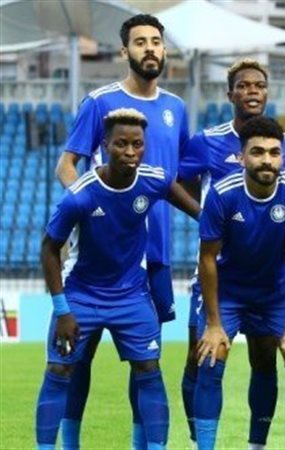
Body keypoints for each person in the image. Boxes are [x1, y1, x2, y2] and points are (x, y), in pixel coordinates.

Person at [52, 14, 189, 448]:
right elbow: (66, 166)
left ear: (164, 49)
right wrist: (92, 208)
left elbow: (179, 178)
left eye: (156, 41)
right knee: (78, 359)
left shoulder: (176, 108)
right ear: (125, 50)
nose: (150, 48)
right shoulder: (100, 102)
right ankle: (70, 442)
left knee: (145, 360)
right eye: (140, 42)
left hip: (156, 252)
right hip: (104, 253)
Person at [35, 108, 200, 450]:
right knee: (60, 370)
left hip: (132, 295)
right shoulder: (80, 195)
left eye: (137, 144)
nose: (130, 151)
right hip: (82, 295)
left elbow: (190, 205)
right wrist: (62, 310)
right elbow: (49, 249)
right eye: (121, 144)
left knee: (149, 369)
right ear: (105, 146)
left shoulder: (153, 180)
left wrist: (215, 222)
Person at [177, 58, 285, 448]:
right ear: (230, 95)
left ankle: (256, 443)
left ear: (267, 92)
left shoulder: (283, 143)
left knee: (264, 359)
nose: (252, 91)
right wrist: (204, 214)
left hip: (267, 274)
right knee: (200, 357)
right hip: (218, 273)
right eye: (243, 86)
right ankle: (198, 440)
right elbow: (176, 182)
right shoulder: (207, 140)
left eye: (259, 85)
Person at [194, 116, 285, 450]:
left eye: (274, 153)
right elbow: (207, 258)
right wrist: (214, 324)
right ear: (241, 157)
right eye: (258, 152)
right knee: (210, 359)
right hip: (229, 291)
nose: (267, 160)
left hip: (276, 291)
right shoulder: (222, 193)